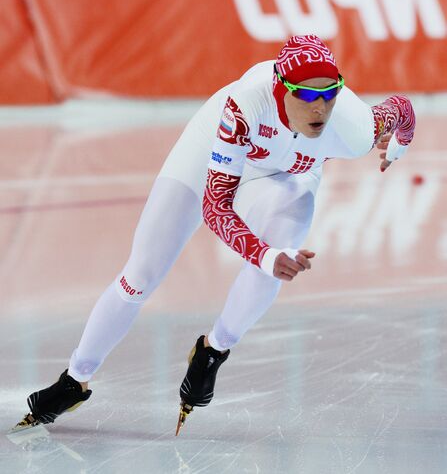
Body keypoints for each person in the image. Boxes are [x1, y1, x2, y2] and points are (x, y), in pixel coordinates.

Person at [13, 35, 415, 435]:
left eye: (330, 94)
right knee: (141, 274)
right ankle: (75, 378)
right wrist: (262, 253)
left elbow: (402, 110)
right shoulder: (244, 107)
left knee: (278, 264)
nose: (321, 107)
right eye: (306, 96)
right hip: (210, 152)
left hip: (288, 174)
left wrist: (399, 142)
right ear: (280, 88)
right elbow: (215, 206)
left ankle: (212, 350)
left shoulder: (355, 126)